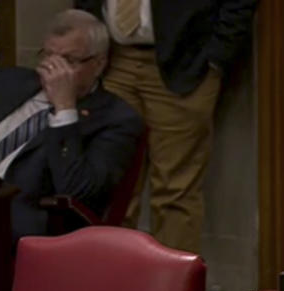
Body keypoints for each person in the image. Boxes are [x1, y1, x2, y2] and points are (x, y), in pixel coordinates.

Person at [0, 9, 143, 241]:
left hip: (0, 220)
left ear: (99, 64)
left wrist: (65, 108)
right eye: (48, 56)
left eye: (68, 61)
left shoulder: (116, 119)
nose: (53, 69)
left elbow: (79, 193)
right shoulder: (10, 82)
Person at [76, 0, 258, 254]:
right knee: (111, 188)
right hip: (112, 61)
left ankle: (170, 288)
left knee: (175, 192)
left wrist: (217, 57)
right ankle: (110, 283)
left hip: (185, 62)